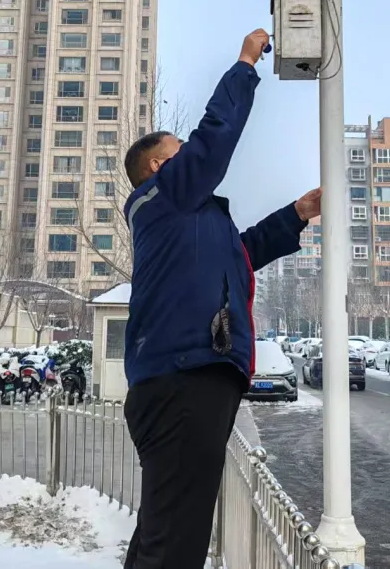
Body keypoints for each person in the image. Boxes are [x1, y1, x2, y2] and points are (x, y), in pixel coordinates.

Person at [121, 28, 321, 569]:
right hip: (183, 379)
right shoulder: (163, 199)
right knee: (175, 541)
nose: (189, 157)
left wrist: (296, 214)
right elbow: (214, 139)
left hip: (186, 379)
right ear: (160, 166)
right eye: (179, 152)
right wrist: (245, 65)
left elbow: (242, 253)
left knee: (166, 529)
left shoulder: (190, 219)